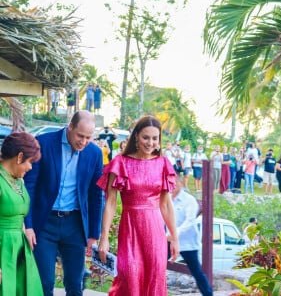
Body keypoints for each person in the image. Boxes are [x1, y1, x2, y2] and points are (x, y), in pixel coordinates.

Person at [24, 110, 105, 296]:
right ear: (70, 127)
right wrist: (28, 225)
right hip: (44, 223)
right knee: (45, 282)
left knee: (75, 283)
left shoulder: (94, 153)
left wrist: (94, 233)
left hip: (75, 225)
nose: (83, 141)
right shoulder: (43, 143)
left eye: (88, 137)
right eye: (80, 135)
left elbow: (96, 195)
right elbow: (30, 187)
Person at [97, 115, 179, 296]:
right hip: (130, 229)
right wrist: (104, 237)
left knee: (155, 277)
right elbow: (110, 202)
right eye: (145, 137)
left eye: (154, 138)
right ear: (136, 137)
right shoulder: (120, 163)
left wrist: (174, 237)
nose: (150, 143)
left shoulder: (163, 164)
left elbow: (165, 205)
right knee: (129, 276)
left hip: (155, 230)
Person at [0, 132, 44, 295]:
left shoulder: (18, 179)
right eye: (30, 162)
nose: (30, 167)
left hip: (19, 249)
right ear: (19, 157)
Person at [168, 176, 213, 296]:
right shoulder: (166, 199)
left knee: (196, 272)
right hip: (169, 240)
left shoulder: (189, 200)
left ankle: (208, 294)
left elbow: (190, 221)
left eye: (174, 182)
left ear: (180, 183)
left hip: (187, 243)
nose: (172, 185)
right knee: (156, 265)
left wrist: (174, 234)